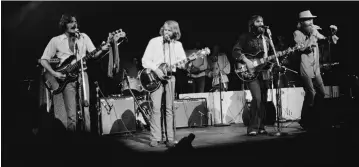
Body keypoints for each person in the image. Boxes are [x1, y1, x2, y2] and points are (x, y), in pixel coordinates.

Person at [39, 13, 110, 133]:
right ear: (64, 25)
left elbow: (94, 54)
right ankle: (72, 142)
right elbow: (43, 60)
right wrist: (55, 74)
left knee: (86, 109)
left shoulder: (83, 37)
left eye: (75, 22)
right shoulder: (56, 40)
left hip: (83, 74)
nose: (74, 24)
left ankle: (87, 139)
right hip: (66, 80)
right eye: (71, 22)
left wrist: (102, 50)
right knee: (71, 114)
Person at [141, 20, 187, 147]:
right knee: (156, 108)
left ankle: (170, 138)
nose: (166, 32)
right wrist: (156, 69)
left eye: (169, 30)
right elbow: (145, 60)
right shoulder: (154, 42)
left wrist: (184, 64)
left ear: (175, 32)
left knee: (169, 109)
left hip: (170, 77)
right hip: (155, 78)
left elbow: (182, 62)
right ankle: (155, 137)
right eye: (165, 29)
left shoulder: (177, 45)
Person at [293, 10, 339, 130]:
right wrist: (313, 33)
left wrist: (332, 34)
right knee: (311, 93)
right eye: (308, 20)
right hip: (305, 69)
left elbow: (324, 39)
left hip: (316, 69)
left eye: (312, 19)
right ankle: (304, 119)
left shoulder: (314, 31)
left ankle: (316, 117)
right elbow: (303, 48)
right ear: (302, 22)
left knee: (322, 93)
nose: (311, 22)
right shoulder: (297, 33)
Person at [232, 15, 273, 136]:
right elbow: (235, 51)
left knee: (264, 100)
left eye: (262, 21)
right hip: (249, 72)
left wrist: (272, 64)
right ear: (252, 24)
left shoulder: (266, 39)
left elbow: (270, 55)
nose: (261, 24)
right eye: (258, 21)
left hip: (264, 72)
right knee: (257, 98)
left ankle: (261, 126)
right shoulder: (246, 37)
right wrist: (246, 60)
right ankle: (253, 127)